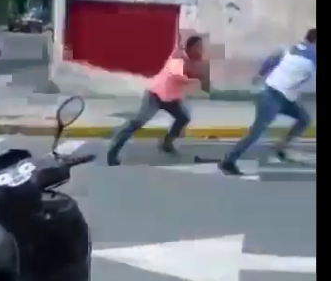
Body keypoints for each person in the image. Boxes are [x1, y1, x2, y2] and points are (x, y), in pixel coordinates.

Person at [218, 28, 316, 176]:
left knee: (305, 119)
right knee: (255, 133)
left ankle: (281, 148)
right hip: (272, 98)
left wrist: (260, 74)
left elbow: (273, 59)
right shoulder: (311, 55)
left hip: (284, 98)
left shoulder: (292, 48)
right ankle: (228, 161)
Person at [107, 35, 211, 166]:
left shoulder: (195, 61)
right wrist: (194, 78)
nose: (201, 50)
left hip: (171, 99)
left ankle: (166, 143)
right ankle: (113, 149)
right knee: (138, 121)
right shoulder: (178, 58)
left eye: (201, 47)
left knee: (184, 117)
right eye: (198, 47)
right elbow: (175, 74)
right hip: (155, 95)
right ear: (190, 48)